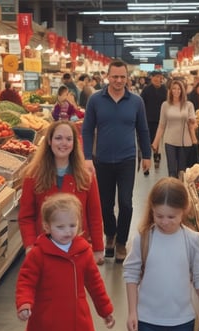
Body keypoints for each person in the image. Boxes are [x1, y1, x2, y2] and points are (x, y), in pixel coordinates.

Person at [16, 193, 115, 331]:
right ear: (47, 227)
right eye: (60, 227)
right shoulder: (38, 254)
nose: (68, 231)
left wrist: (105, 310)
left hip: (78, 321)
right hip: (47, 321)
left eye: (72, 225)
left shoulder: (83, 252)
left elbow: (95, 283)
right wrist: (24, 303)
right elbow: (26, 281)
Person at [123, 177, 199, 331]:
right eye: (159, 216)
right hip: (148, 322)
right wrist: (132, 311)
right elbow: (131, 275)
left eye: (172, 217)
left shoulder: (192, 239)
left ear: (184, 210)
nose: (165, 222)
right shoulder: (144, 238)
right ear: (152, 210)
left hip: (182, 323)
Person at [82, 59, 152, 263]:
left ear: (127, 78)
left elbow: (143, 130)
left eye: (122, 77)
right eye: (115, 76)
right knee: (105, 204)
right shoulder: (95, 100)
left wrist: (146, 155)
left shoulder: (136, 101)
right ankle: (110, 235)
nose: (118, 80)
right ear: (108, 76)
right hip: (101, 159)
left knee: (126, 203)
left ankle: (121, 242)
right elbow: (86, 130)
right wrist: (87, 157)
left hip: (127, 159)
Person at [18, 121, 105, 265]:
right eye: (58, 138)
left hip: (77, 250)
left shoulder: (86, 177)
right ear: (49, 141)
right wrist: (30, 245)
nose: (63, 143)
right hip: (43, 251)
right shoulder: (33, 176)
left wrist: (98, 248)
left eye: (68, 139)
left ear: (74, 143)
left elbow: (95, 215)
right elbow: (26, 216)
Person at [152, 80, 197, 178]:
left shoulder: (189, 105)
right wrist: (155, 142)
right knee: (172, 170)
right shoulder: (165, 105)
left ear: (182, 91)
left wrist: (192, 121)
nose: (176, 91)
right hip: (170, 141)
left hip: (185, 141)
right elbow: (161, 125)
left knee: (181, 171)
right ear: (170, 90)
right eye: (174, 89)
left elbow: (194, 122)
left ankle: (181, 191)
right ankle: (173, 191)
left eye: (179, 89)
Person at [140, 71, 167, 172]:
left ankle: (156, 154)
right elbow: (141, 104)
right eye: (155, 77)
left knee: (157, 138)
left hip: (160, 119)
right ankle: (147, 159)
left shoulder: (164, 90)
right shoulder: (146, 90)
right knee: (148, 139)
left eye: (159, 77)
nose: (157, 79)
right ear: (152, 78)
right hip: (148, 119)